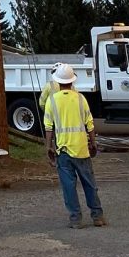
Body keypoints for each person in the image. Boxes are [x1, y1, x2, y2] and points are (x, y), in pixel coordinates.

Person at [44, 63, 107, 228]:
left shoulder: (52, 101)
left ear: (57, 82)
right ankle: (97, 216)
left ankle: (75, 219)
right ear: (72, 81)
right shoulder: (80, 98)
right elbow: (90, 124)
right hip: (81, 149)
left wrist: (48, 147)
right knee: (89, 184)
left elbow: (49, 128)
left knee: (68, 187)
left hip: (63, 150)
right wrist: (93, 144)